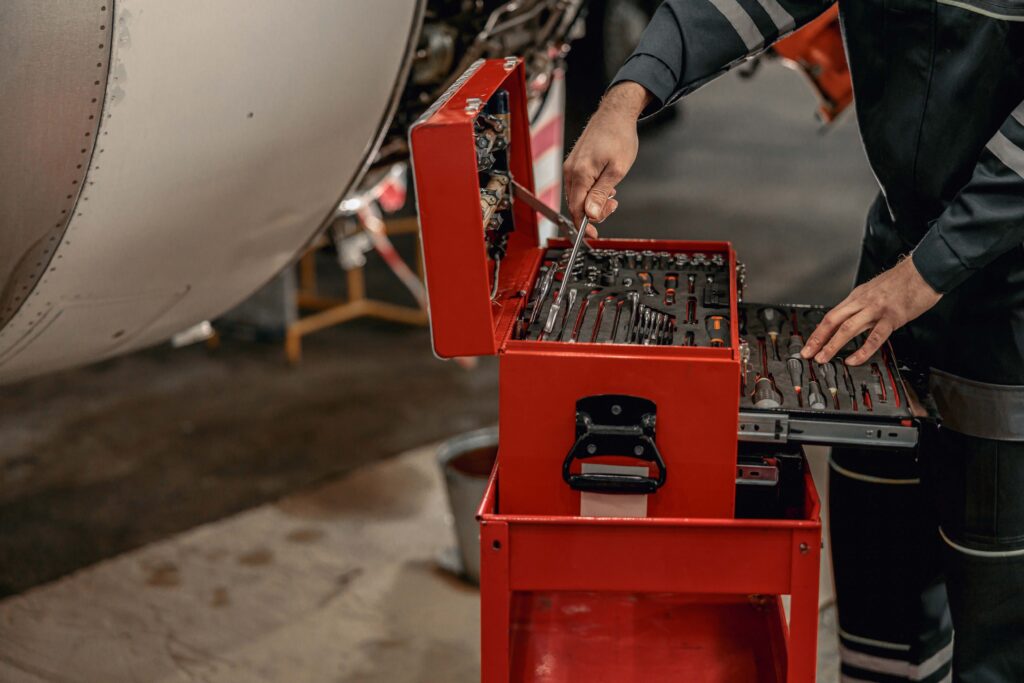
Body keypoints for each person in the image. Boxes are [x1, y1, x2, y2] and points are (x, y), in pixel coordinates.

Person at [563, 2, 1024, 681]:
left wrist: (927, 272)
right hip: (898, 260)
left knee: (1000, 624)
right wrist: (626, 97)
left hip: (1008, 298)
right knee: (882, 600)